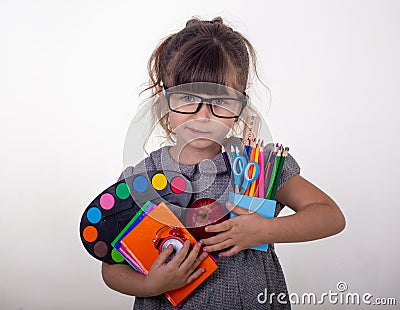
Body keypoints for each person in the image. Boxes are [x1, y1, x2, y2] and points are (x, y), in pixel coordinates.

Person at [101, 16, 346, 309]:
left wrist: (265, 231)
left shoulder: (260, 166)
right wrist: (150, 284)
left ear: (241, 104)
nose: (203, 116)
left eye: (220, 102)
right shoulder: (142, 177)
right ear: (163, 99)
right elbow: (112, 268)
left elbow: (330, 216)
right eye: (187, 97)